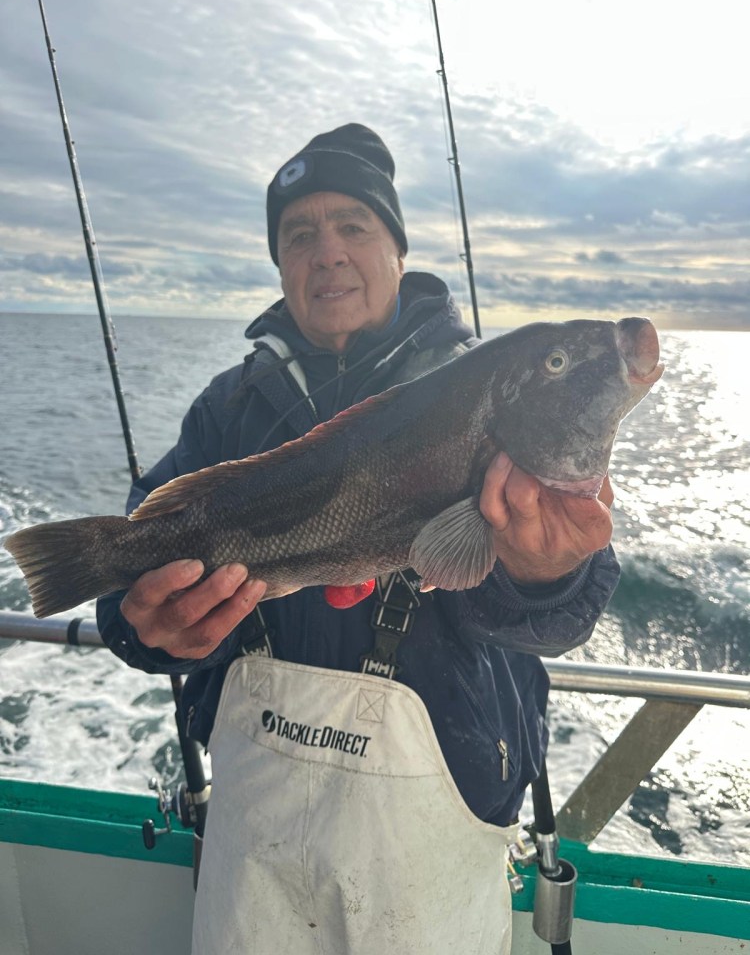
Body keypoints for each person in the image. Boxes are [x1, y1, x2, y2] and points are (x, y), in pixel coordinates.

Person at [97, 123, 620, 955]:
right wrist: (142, 626)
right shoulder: (224, 414)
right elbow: (132, 578)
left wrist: (543, 573)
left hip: (438, 818)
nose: (326, 251)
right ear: (279, 265)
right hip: (252, 824)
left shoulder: (492, 390)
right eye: (299, 234)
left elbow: (562, 618)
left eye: (354, 225)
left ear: (399, 250)